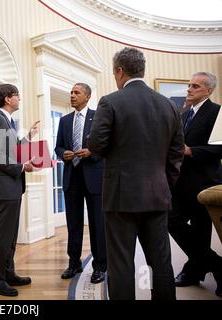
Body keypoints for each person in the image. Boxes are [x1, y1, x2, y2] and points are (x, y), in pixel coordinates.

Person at [88, 47, 184, 300]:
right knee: (160, 262)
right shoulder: (169, 105)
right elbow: (176, 155)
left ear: (120, 71)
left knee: (121, 264)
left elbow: (95, 145)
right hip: (158, 195)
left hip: (120, 198)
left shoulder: (110, 101)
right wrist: (164, 183)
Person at [168, 72, 222, 297]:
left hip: (205, 183)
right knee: (171, 220)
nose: (189, 89)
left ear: (208, 91)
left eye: (196, 86)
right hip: (179, 182)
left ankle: (194, 270)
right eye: (189, 85)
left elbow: (221, 147)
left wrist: (192, 151)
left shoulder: (217, 112)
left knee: (201, 231)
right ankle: (218, 266)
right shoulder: (183, 114)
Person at [0, 83, 40, 297]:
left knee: (10, 235)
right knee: (3, 236)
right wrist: (22, 167)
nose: (19, 98)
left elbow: (13, 149)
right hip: (4, 186)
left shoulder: (8, 120)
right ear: (8, 99)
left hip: (11, 186)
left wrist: (30, 137)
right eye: (17, 95)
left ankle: (8, 273)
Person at [54, 83, 106, 284]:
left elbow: (107, 144)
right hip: (71, 177)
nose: (72, 95)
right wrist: (62, 153)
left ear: (88, 96)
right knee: (73, 224)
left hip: (94, 177)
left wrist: (92, 152)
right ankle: (73, 262)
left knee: (97, 224)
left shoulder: (99, 117)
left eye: (77, 93)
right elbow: (58, 146)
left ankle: (100, 266)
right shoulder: (65, 120)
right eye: (71, 92)